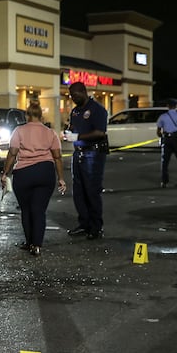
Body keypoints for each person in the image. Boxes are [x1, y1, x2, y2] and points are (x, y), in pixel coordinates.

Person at [0, 100, 66, 256]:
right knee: (39, 210)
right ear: (41, 116)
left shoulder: (19, 131)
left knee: (27, 210)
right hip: (45, 173)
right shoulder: (50, 133)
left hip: (24, 174)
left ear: (27, 115)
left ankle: (29, 242)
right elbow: (57, 157)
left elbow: (12, 153)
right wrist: (61, 178)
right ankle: (37, 245)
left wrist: (5, 173)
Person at [62, 81, 109, 240]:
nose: (73, 98)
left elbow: (100, 133)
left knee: (92, 191)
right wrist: (68, 132)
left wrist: (78, 137)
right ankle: (84, 224)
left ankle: (96, 227)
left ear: (83, 91)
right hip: (79, 153)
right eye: (71, 96)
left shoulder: (97, 110)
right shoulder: (75, 111)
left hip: (93, 154)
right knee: (79, 192)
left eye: (75, 95)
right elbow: (73, 127)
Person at [156, 99, 177, 188]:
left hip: (167, 140)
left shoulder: (163, 116)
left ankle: (164, 182)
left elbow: (158, 131)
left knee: (165, 162)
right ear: (176, 106)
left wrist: (162, 136)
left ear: (168, 106)